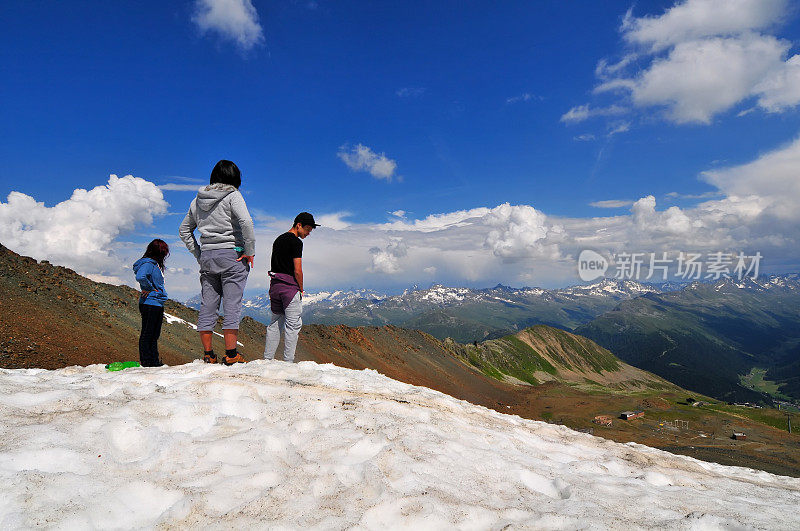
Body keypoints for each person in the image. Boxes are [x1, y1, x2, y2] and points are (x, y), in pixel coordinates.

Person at [179, 159, 255, 365]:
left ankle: (208, 354)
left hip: (208, 257)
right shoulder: (233, 196)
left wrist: (199, 254)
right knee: (232, 304)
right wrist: (250, 251)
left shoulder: (197, 201)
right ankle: (231, 354)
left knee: (208, 305)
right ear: (235, 178)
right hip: (232, 255)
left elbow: (184, 230)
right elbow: (246, 222)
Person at [264, 212, 318, 362]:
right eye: (307, 229)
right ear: (298, 225)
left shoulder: (278, 239)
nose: (308, 233)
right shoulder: (296, 243)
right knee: (292, 326)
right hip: (289, 287)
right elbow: (297, 270)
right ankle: (288, 362)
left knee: (275, 323)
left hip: (275, 285)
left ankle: (267, 360)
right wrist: (300, 288)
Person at [133, 239, 170, 367]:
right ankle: (147, 361)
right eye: (163, 252)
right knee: (148, 333)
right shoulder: (149, 264)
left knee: (154, 334)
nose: (165, 255)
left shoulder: (153, 264)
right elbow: (141, 276)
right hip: (150, 303)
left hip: (156, 303)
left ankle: (153, 361)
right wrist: (148, 288)